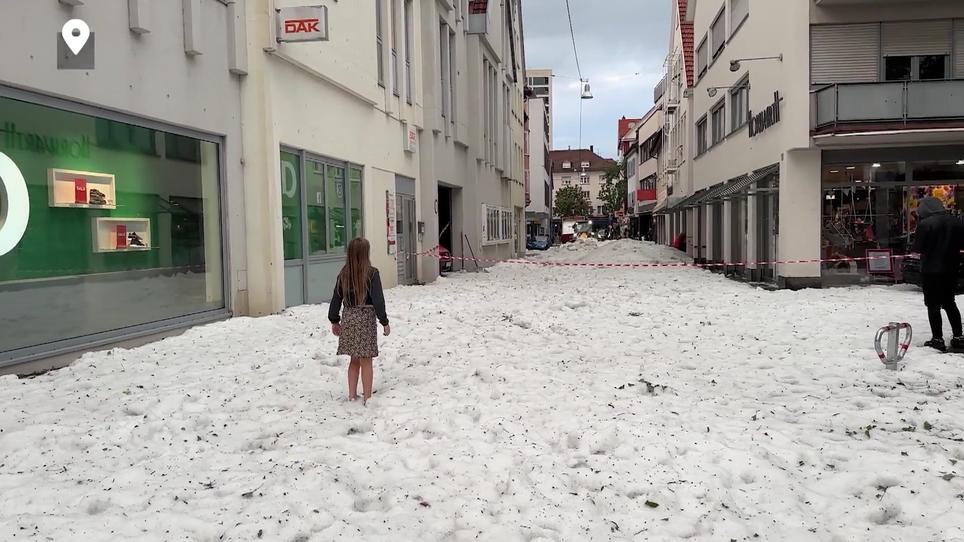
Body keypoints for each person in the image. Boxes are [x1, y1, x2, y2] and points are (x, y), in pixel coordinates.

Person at [329, 238, 391, 402]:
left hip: (349, 318)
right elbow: (378, 301)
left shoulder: (343, 274)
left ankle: (351, 395)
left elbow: (336, 299)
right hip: (365, 319)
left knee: (354, 360)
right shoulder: (372, 273)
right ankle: (368, 397)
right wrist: (384, 321)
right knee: (366, 360)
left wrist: (334, 320)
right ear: (366, 253)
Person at [911, 197, 964, 351]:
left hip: (931, 270)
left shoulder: (925, 224)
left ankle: (937, 338)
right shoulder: (957, 222)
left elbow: (918, 248)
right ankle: (959, 336)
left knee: (933, 304)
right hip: (951, 268)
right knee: (949, 302)